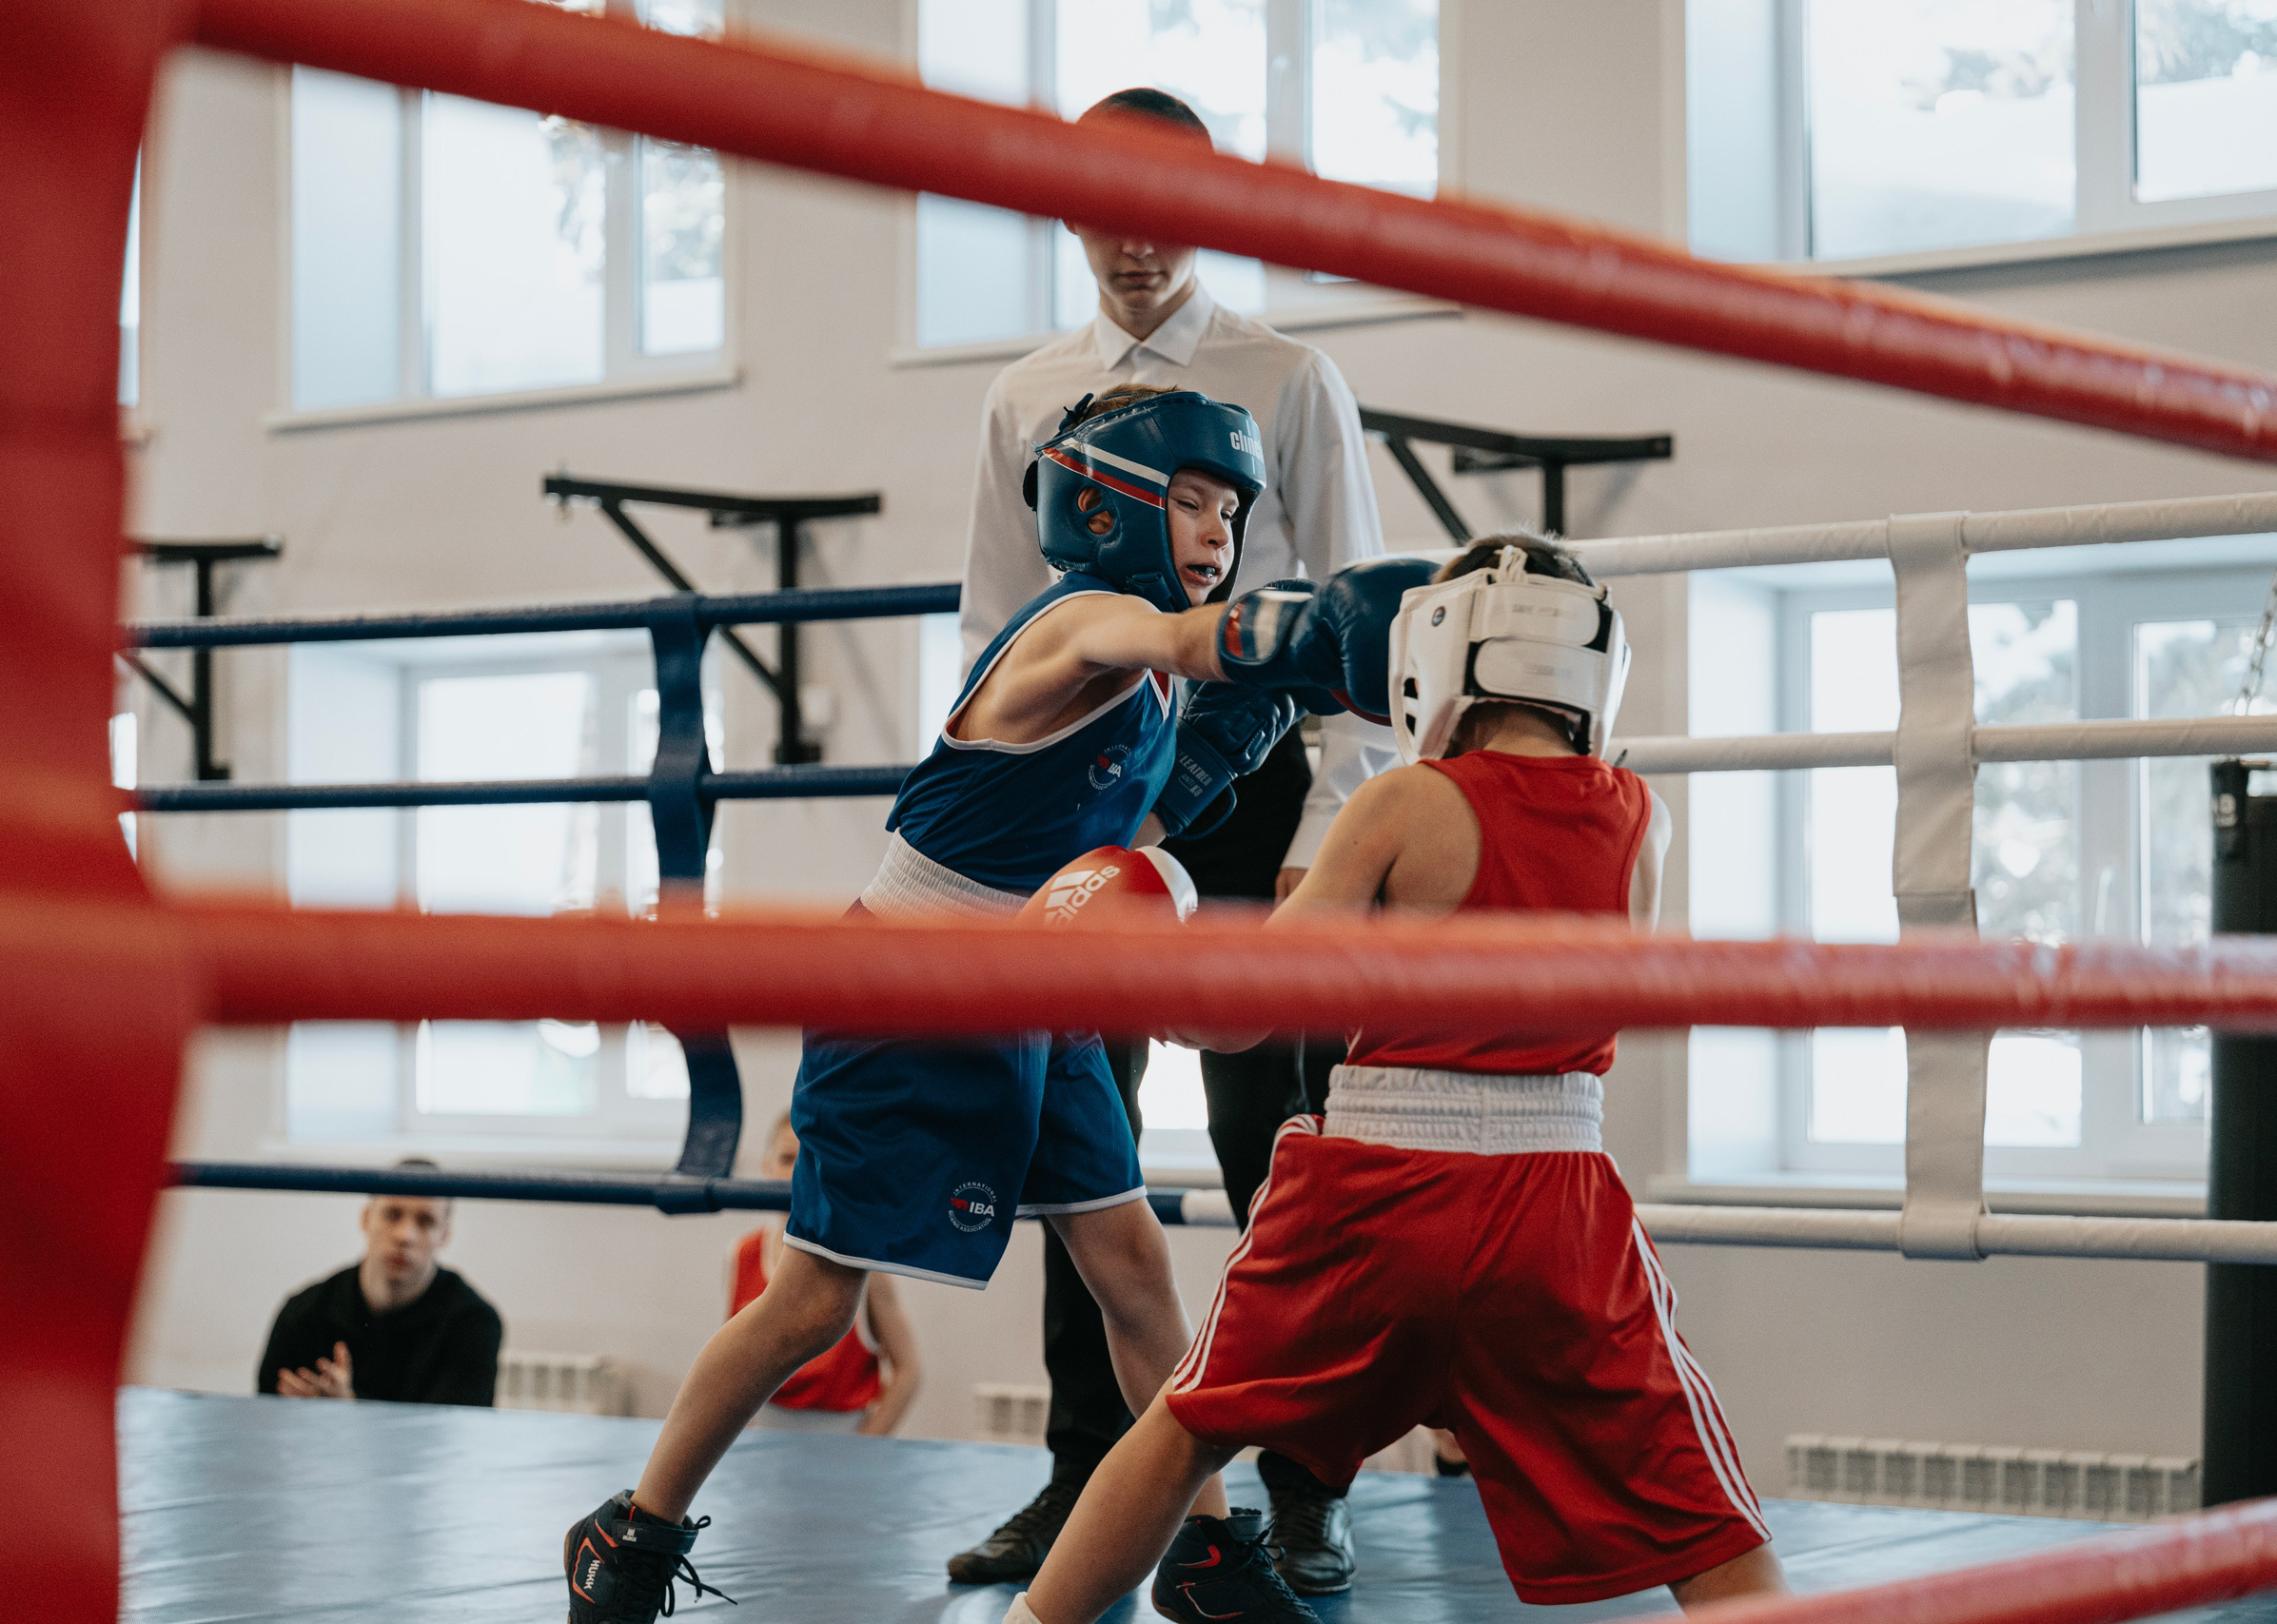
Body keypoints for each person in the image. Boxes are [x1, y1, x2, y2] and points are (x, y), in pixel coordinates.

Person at [559, 384, 1412, 1624]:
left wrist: (1238, 738)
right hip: (909, 984)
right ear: (1107, 497)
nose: (1216, 527)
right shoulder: (1076, 625)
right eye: (1187, 497)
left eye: (1230, 505)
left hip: (1042, 978)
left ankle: (1207, 1550)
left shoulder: (1157, 676)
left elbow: (1125, 829)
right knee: (814, 1298)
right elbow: (1191, 639)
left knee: (1130, 1267)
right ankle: (634, 1525)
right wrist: (1311, 635)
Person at [1010, 536, 1790, 1624]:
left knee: (1188, 1424)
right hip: (1552, 1204)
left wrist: (1132, 970)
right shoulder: (1637, 816)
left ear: (1438, 648)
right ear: (1596, 659)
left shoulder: (1399, 805)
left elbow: (1244, 1017)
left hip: (1371, 1193)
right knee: (1706, 1521)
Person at [952, 84, 1392, 1598]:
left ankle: (1305, 1474)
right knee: (1074, 1132)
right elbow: (996, 622)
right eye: (1104, 204)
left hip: (1258, 792)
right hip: (1086, 789)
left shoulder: (1287, 374)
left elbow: (1357, 612)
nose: (1134, 240)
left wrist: (1332, 838)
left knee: (1275, 1142)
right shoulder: (1026, 391)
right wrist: (1002, 833)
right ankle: (1090, 1480)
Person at [729, 1114, 921, 1435]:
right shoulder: (742, 1254)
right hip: (761, 1439)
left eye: (811, 1159)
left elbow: (909, 1370)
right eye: (787, 1158)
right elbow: (733, 1366)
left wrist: (863, 1448)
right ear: (766, 1166)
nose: (798, 1173)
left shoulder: (862, 1263)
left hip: (844, 1438)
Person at [257, 1161, 502, 1408]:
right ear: (366, 1219)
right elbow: (265, 1418)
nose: (405, 1236)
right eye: (392, 1215)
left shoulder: (474, 1323)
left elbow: (453, 1436)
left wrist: (349, 1410)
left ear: (445, 1235)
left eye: (425, 1221)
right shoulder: (303, 1314)